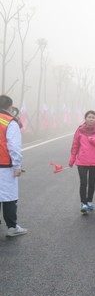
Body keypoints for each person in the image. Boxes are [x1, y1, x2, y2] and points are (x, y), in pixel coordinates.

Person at [68, 110, 95, 213]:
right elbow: (75, 145)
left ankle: (90, 201)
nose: (91, 119)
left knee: (92, 183)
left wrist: (94, 140)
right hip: (82, 161)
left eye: (93, 118)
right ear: (85, 118)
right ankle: (83, 203)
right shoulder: (80, 130)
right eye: (89, 117)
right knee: (83, 182)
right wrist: (72, 159)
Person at [0, 95, 27, 236]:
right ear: (10, 107)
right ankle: (12, 227)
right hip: (4, 165)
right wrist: (17, 165)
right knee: (9, 196)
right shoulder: (9, 122)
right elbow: (14, 146)